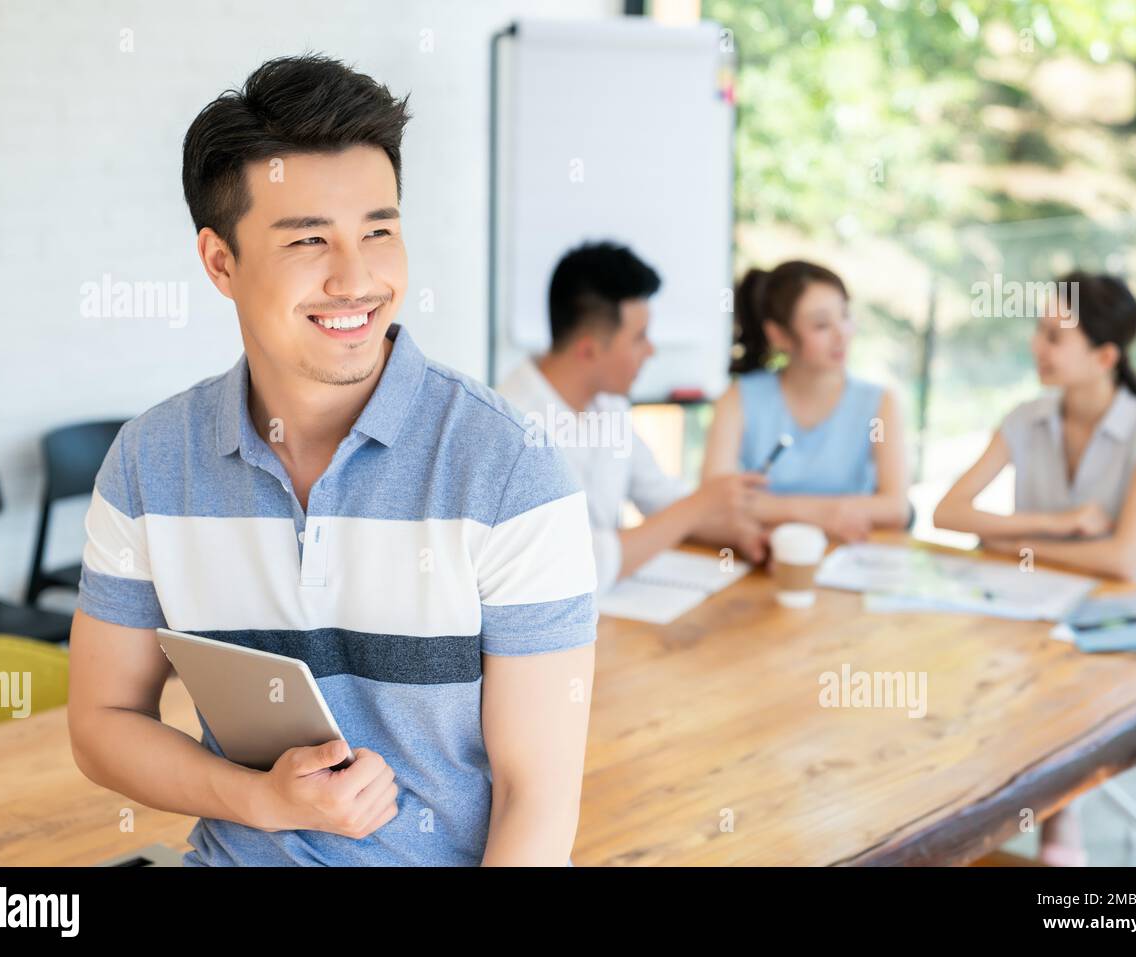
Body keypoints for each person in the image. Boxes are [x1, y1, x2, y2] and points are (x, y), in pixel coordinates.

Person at [68, 54, 599, 866]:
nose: (358, 279)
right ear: (220, 262)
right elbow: (102, 722)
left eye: (379, 231)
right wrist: (261, 799)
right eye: (309, 239)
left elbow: (539, 796)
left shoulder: (510, 472)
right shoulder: (150, 461)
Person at [933, 271, 1136, 866]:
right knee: (956, 684)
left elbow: (1123, 559)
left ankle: (1059, 819)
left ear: (1104, 356)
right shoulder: (1027, 417)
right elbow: (949, 512)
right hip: (1034, 615)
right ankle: (1020, 822)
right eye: (1039, 331)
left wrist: (1010, 541)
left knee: (1052, 707)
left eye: (1055, 336)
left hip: (1128, 627)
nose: (1038, 347)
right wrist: (1063, 526)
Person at [496, 241, 767, 594]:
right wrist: (701, 504)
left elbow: (659, 497)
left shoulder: (608, 403)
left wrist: (744, 535)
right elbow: (582, 563)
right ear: (589, 349)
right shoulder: (510, 428)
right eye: (639, 338)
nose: (651, 350)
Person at [702, 260, 911, 542]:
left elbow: (896, 508)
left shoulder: (879, 402)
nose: (842, 334)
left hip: (852, 554)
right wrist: (816, 515)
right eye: (822, 325)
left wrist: (775, 509)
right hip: (770, 556)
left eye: (845, 316)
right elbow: (711, 501)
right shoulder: (737, 399)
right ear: (778, 335)